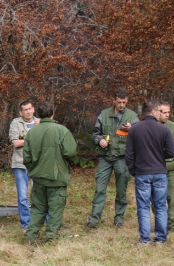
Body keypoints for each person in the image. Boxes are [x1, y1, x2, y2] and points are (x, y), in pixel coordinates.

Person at [23, 102, 77, 243]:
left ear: (38, 113)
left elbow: (26, 158)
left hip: (38, 177)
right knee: (55, 209)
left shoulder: (31, 133)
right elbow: (71, 152)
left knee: (37, 209)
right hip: (56, 178)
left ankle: (30, 236)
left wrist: (34, 169)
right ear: (52, 113)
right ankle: (51, 238)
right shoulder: (61, 130)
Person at [87, 88, 139, 229]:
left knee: (121, 190)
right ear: (114, 100)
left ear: (127, 101)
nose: (122, 105)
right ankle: (94, 220)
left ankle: (119, 219)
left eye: (124, 102)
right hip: (105, 157)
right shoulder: (103, 115)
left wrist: (132, 129)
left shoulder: (133, 117)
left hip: (122, 158)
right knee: (100, 189)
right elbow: (95, 134)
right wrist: (99, 140)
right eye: (119, 102)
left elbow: (140, 137)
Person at [125, 99, 174, 244]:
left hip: (142, 172)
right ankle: (160, 238)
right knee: (160, 206)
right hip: (159, 172)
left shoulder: (134, 129)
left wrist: (134, 170)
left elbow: (129, 155)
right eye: (159, 111)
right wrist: (159, 155)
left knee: (143, 207)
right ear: (153, 111)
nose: (161, 113)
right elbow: (171, 152)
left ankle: (145, 239)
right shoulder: (163, 129)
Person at [8, 100, 40, 229]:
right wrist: (33, 138)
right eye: (25, 110)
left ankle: (42, 220)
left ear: (33, 109)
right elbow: (15, 143)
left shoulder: (40, 122)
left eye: (30, 108)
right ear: (20, 112)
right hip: (20, 164)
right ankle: (26, 223)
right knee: (22, 196)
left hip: (38, 163)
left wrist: (26, 139)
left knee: (40, 194)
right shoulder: (16, 123)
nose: (28, 111)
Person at [157, 101, 174, 231]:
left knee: (172, 197)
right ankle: (160, 222)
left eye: (169, 112)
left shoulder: (172, 127)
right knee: (156, 199)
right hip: (155, 168)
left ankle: (171, 225)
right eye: (164, 112)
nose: (167, 115)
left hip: (171, 168)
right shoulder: (149, 127)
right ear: (157, 112)